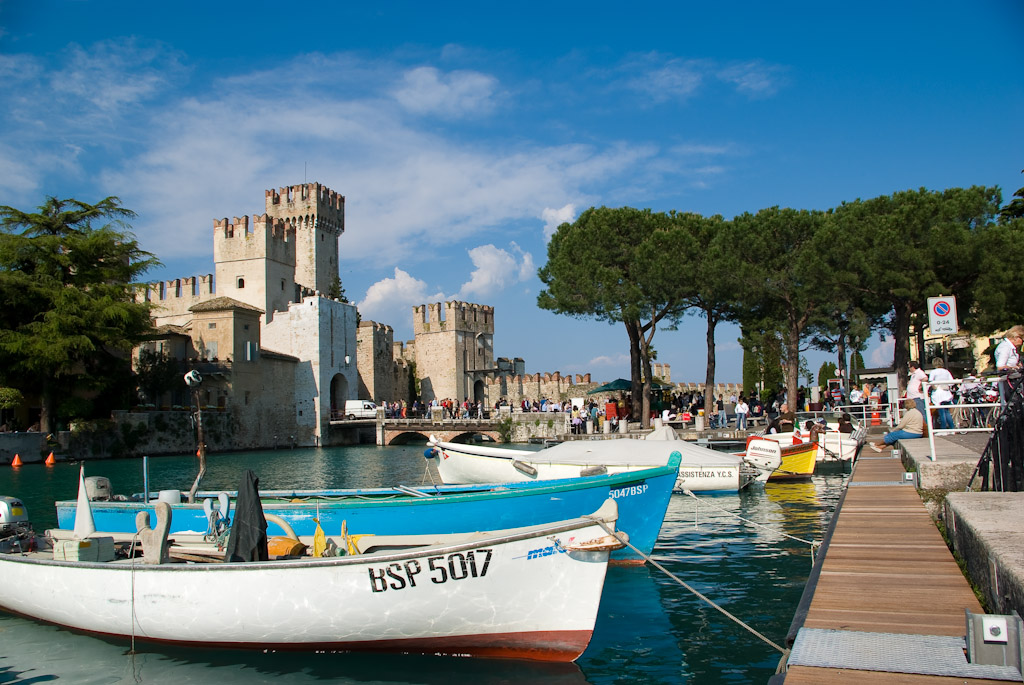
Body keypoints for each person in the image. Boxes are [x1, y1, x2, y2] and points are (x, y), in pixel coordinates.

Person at [994, 325, 1023, 405]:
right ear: (1016, 337)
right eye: (1022, 339)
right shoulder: (1005, 347)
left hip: (1014, 379)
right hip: (1009, 380)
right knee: (1014, 404)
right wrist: (1014, 367)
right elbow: (1000, 366)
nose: (1022, 342)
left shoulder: (1011, 348)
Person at [927, 358, 955, 430]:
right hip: (946, 392)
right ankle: (952, 428)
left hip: (938, 393)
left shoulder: (933, 372)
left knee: (941, 413)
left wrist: (934, 388)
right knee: (947, 412)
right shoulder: (946, 372)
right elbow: (952, 382)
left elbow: (931, 381)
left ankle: (943, 429)